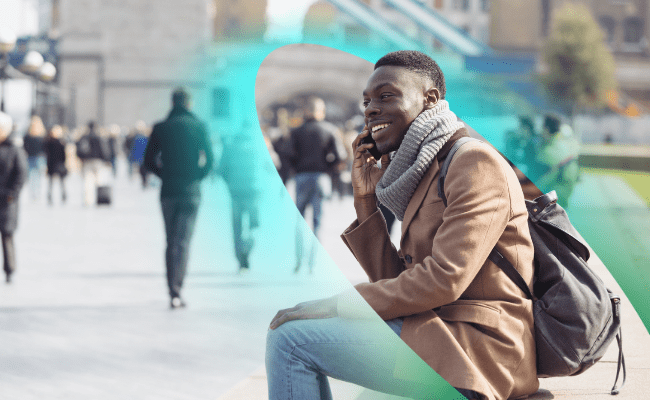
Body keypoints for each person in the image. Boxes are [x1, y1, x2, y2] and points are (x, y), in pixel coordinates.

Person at [266, 51, 538, 400]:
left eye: (386, 96)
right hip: (438, 333)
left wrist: (339, 304)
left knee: (289, 342)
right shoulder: (425, 168)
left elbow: (444, 279)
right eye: (366, 101)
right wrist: (366, 201)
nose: (370, 109)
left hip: (479, 352)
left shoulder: (473, 162)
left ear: (430, 100)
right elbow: (396, 283)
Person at [143, 87, 214, 309]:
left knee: (170, 240)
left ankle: (172, 290)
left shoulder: (161, 127)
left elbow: (148, 161)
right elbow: (210, 160)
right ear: (189, 104)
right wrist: (195, 176)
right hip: (191, 191)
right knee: (183, 241)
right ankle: (177, 289)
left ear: (172, 103)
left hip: (169, 191)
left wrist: (165, 174)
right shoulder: (200, 126)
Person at [288, 97, 343, 272]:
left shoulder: (296, 132)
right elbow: (339, 157)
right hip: (321, 178)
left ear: (306, 111)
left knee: (300, 221)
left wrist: (296, 169)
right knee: (318, 222)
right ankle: (313, 263)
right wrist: (329, 169)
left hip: (301, 178)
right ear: (322, 112)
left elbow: (288, 155)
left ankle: (298, 260)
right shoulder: (330, 130)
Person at [0, 112, 28, 284]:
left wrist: (12, 194)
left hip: (6, 201)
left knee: (7, 235)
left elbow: (21, 173)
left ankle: (10, 269)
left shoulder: (14, 148)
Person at [535, 114, 580, 209]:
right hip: (563, 197)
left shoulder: (549, 152)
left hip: (553, 201)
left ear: (546, 129)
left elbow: (544, 180)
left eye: (542, 129)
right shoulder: (564, 147)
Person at [76, 121, 111, 206]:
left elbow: (79, 150)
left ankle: (87, 200)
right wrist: (106, 160)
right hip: (98, 162)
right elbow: (104, 150)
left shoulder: (84, 137)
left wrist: (82, 158)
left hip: (87, 161)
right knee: (99, 181)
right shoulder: (99, 137)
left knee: (87, 182)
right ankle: (100, 199)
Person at [23, 115, 46, 201]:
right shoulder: (30, 136)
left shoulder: (40, 135)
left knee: (35, 177)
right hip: (34, 158)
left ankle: (35, 194)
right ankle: (35, 194)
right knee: (35, 177)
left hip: (36, 158)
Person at [44, 125, 68, 204]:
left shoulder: (51, 142)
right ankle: (52, 196)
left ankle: (62, 195)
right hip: (54, 164)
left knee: (59, 182)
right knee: (55, 182)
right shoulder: (52, 142)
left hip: (56, 164)